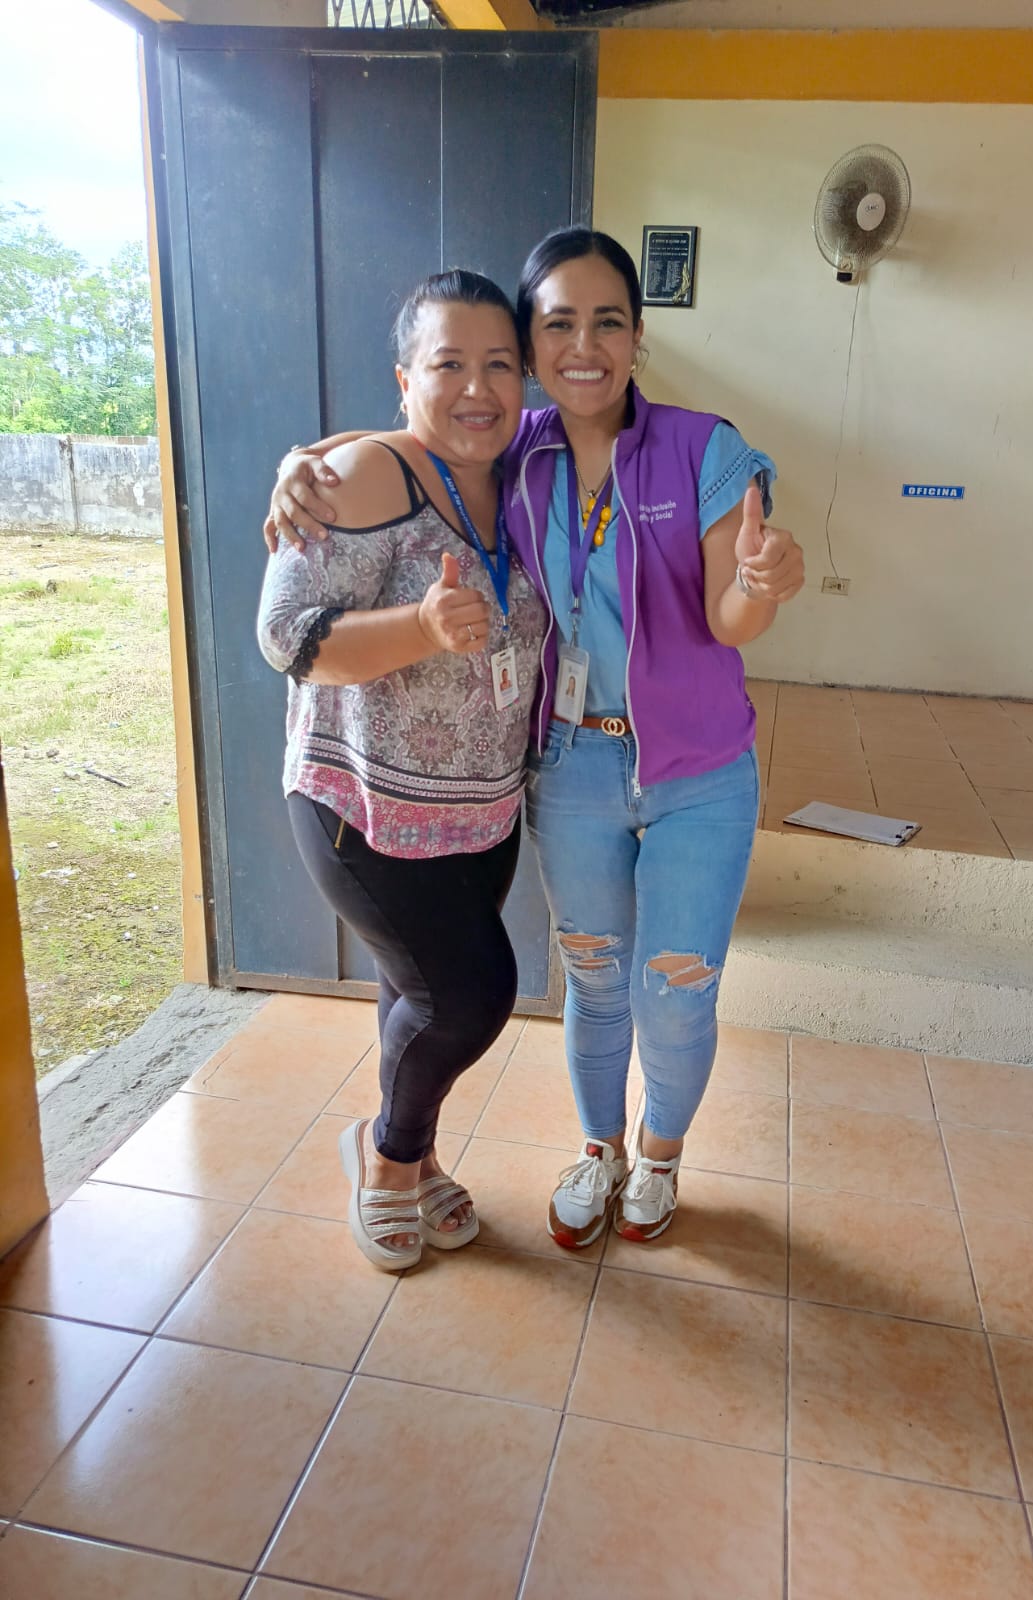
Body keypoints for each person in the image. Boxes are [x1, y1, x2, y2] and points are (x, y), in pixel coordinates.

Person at [266, 228, 805, 1250]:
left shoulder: (702, 447)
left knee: (675, 989)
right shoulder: (523, 446)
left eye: (608, 321)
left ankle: (658, 1157)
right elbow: (422, 428)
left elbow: (731, 618)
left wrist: (760, 581)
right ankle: (598, 1151)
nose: (583, 345)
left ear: (639, 336)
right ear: (535, 345)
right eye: (558, 325)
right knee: (594, 981)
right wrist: (306, 462)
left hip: (696, 773)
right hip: (571, 766)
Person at [257, 269, 545, 1271]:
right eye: (448, 363)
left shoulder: (525, 471)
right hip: (364, 810)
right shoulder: (368, 472)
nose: (477, 388)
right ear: (405, 379)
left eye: (499, 364)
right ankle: (387, 1157)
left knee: (413, 993)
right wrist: (419, 627)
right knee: (471, 995)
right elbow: (286, 634)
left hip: (483, 811)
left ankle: (415, 1160)